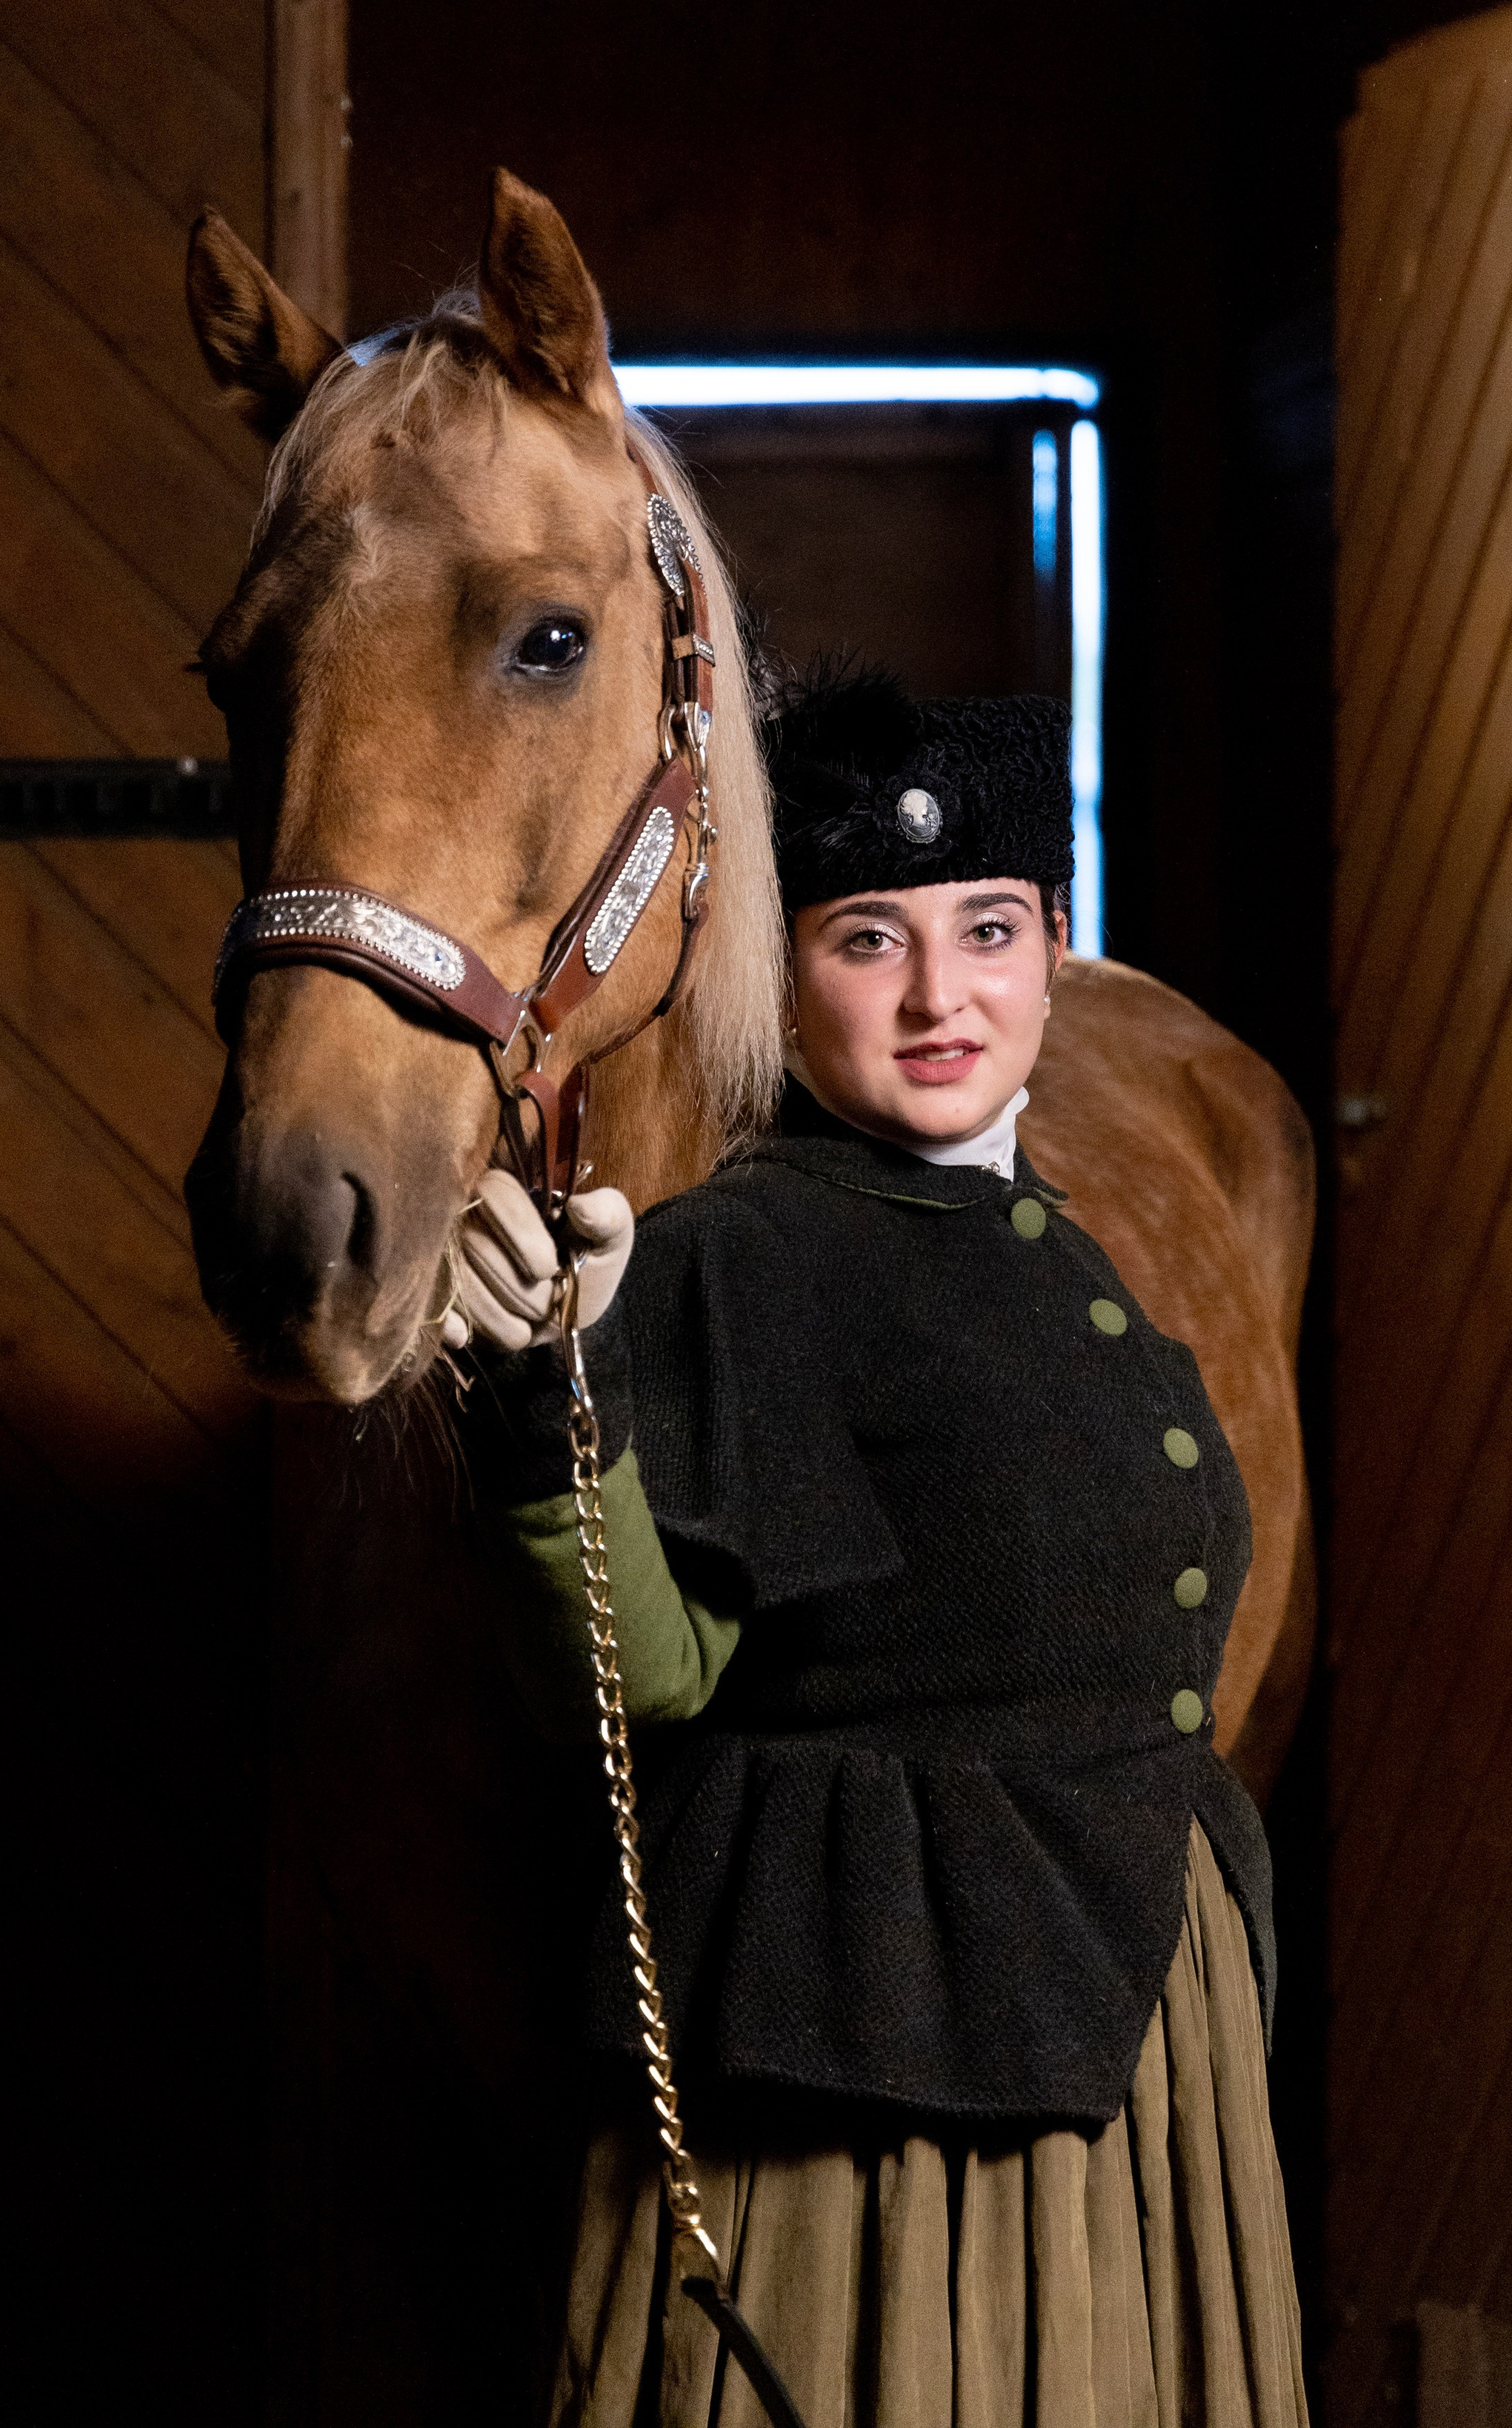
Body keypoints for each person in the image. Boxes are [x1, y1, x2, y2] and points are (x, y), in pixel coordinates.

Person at [453, 668, 1308, 2428]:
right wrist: (551, 1406)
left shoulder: (1041, 1228)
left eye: (989, 930)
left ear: (1053, 946)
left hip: (1124, 2020)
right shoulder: (735, 1252)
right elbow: (642, 1674)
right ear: (785, 970)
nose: (942, 997)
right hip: (871, 2053)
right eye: (867, 941)